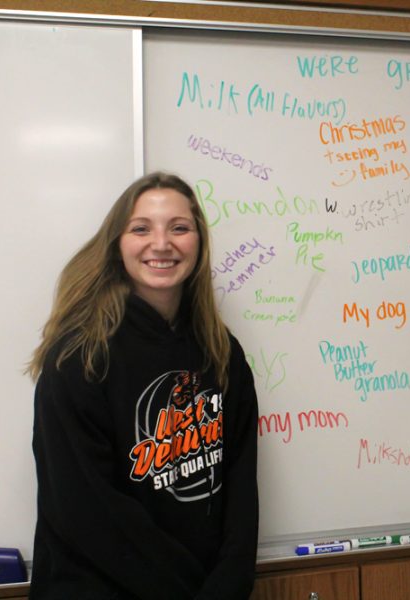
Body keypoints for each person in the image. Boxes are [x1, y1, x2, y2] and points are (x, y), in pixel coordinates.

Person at [27, 172, 259, 599]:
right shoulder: (78, 356)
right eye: (141, 228)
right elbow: (86, 510)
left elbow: (241, 489)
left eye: (179, 227)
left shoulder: (222, 352)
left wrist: (226, 586)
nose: (161, 243)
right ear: (117, 243)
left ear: (199, 242)